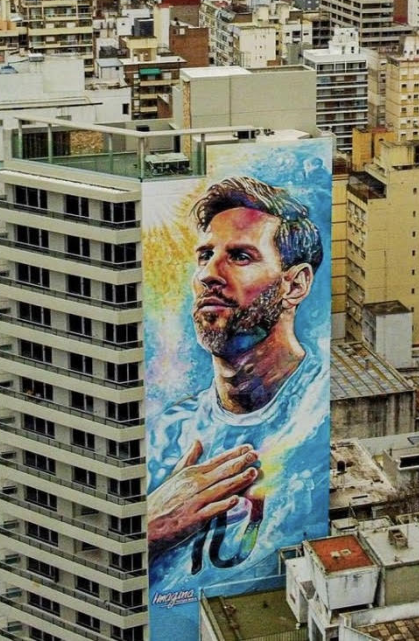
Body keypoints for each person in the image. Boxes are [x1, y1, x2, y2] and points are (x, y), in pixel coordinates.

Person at [147, 175, 329, 597]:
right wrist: (150, 527)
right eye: (205, 256)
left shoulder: (318, 417)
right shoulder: (165, 431)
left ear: (295, 284)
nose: (209, 274)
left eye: (240, 256)